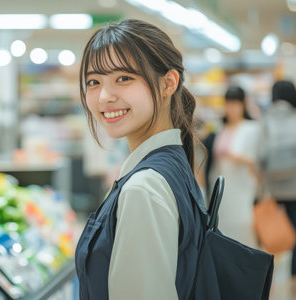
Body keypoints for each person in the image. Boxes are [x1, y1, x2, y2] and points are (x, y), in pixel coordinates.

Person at [75, 19, 207, 299]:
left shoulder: (143, 189)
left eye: (124, 78)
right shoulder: (173, 163)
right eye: (94, 82)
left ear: (168, 83)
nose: (105, 97)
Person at [207, 86, 260, 247]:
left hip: (244, 188)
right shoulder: (221, 129)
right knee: (225, 232)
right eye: (228, 104)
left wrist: (240, 158)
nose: (231, 109)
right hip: (224, 190)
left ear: (243, 105)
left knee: (245, 233)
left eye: (235, 104)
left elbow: (258, 161)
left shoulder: (251, 128)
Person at [258, 80, 296, 277]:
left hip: (273, 189)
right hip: (295, 188)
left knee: (273, 233)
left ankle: (270, 277)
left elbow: (261, 155)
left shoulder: (267, 119)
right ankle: (293, 279)